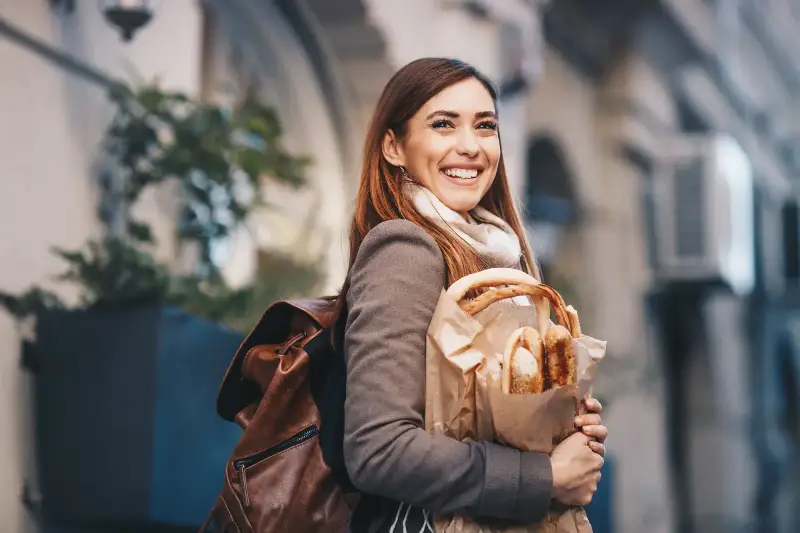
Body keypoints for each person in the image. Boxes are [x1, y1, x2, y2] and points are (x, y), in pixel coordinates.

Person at [334, 57, 607, 533]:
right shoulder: (405, 249)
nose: (470, 146)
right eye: (443, 124)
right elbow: (378, 449)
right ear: (394, 146)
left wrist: (565, 424)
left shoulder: (503, 259)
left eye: (485, 126)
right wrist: (544, 477)